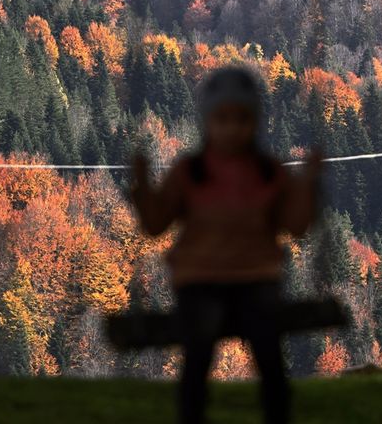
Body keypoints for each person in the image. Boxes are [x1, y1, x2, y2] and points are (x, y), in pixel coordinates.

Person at [130, 66, 322, 424]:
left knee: (268, 351)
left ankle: (276, 414)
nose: (232, 128)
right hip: (201, 277)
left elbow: (296, 225)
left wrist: (309, 184)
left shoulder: (267, 172)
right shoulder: (191, 172)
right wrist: (142, 186)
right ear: (208, 122)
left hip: (255, 276)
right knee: (199, 348)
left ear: (255, 123)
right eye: (222, 119)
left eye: (241, 120)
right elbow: (156, 224)